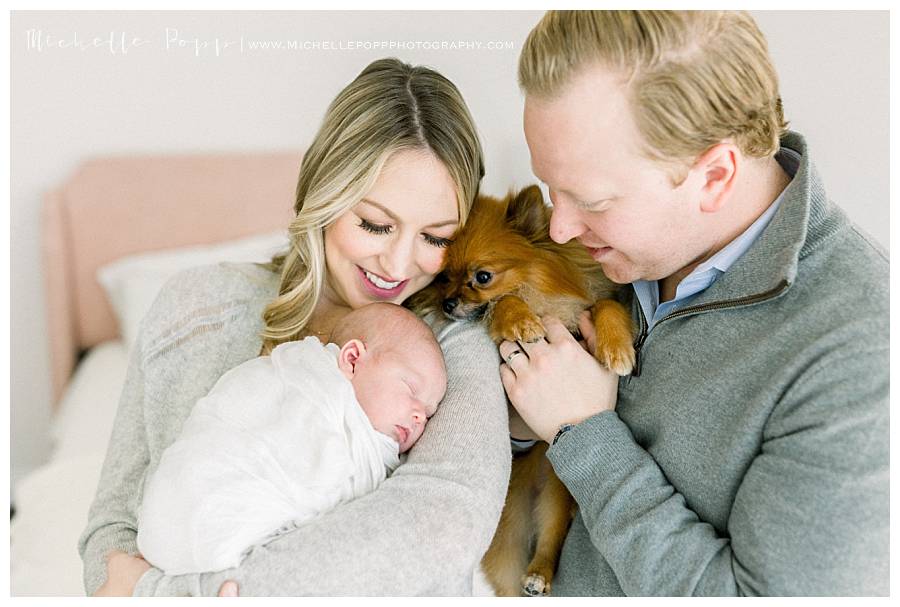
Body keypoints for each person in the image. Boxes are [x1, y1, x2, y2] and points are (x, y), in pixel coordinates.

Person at [79, 57, 511, 596]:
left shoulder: (450, 346)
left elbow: (441, 527)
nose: (400, 266)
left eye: (436, 237)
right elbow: (112, 532)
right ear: (323, 195)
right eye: (375, 224)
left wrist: (174, 595)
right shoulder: (195, 311)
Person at [499, 10, 888, 596]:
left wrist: (585, 435)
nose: (559, 229)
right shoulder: (621, 256)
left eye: (591, 199)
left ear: (714, 176)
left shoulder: (859, 354)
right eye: (552, 190)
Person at [137, 303, 447, 576]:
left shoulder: (368, 435)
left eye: (429, 413)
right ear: (352, 360)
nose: (420, 415)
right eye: (410, 390)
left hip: (200, 559)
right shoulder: (303, 384)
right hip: (196, 499)